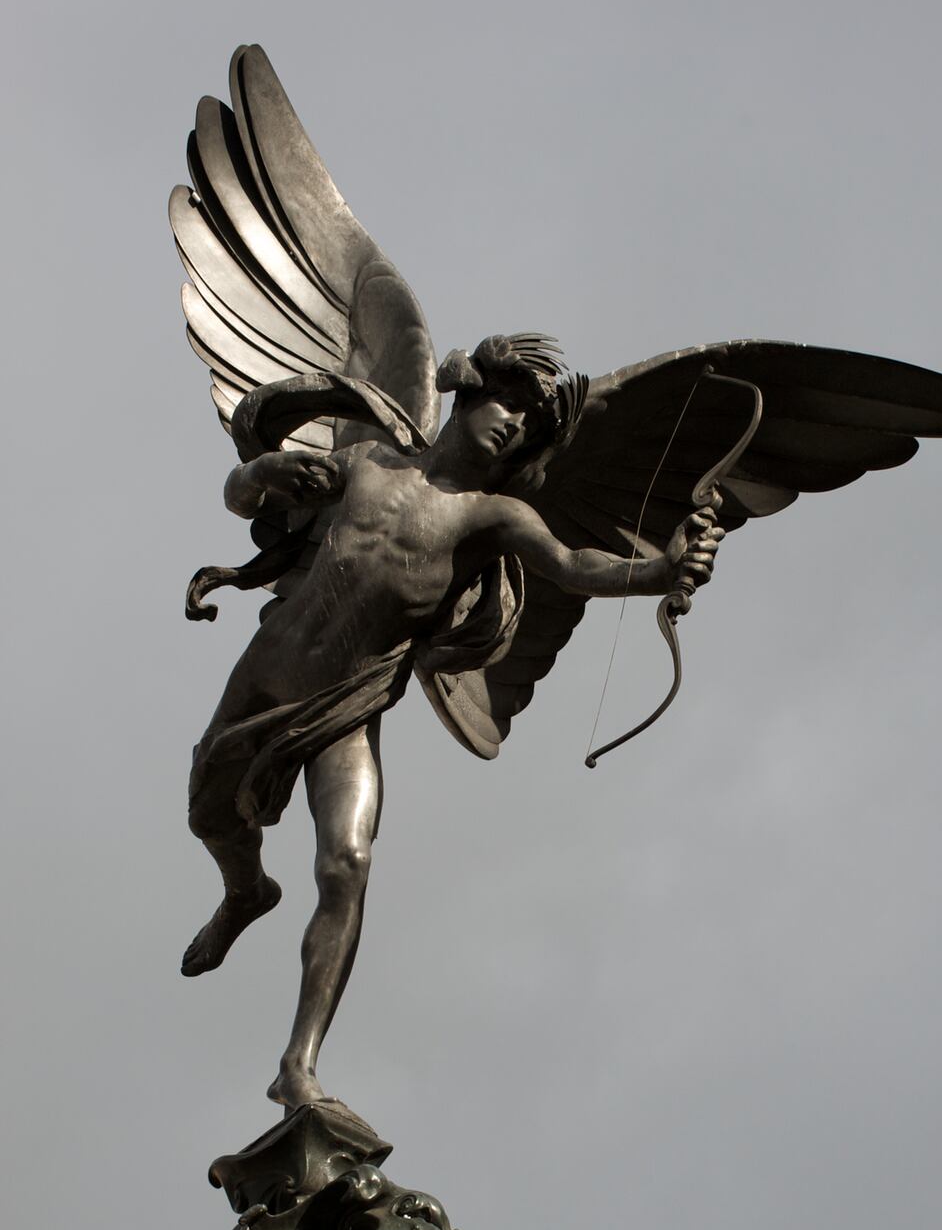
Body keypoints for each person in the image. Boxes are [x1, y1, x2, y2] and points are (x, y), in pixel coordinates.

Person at [182, 336, 722, 1111]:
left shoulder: (490, 517)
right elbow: (243, 496)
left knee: (348, 863)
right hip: (267, 672)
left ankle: (297, 1062)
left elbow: (573, 564)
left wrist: (662, 571)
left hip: (346, 706)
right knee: (210, 811)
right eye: (510, 401)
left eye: (532, 421)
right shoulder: (368, 462)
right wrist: (263, 471)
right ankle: (244, 892)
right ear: (468, 388)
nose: (515, 423)